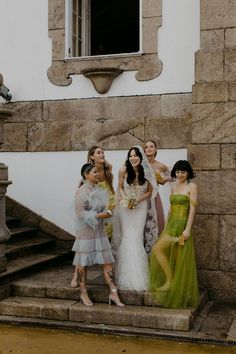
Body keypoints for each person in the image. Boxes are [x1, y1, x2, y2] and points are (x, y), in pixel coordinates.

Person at [71, 163, 124, 307]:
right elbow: (80, 213)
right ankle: (83, 292)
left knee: (107, 261)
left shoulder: (99, 189)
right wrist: (100, 214)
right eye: (94, 172)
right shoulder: (82, 191)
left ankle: (113, 292)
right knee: (83, 264)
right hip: (86, 232)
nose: (98, 174)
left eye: (97, 172)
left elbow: (104, 208)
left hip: (99, 231)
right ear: (86, 175)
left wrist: (109, 212)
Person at [149, 160, 200, 308]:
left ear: (188, 172)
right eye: (177, 172)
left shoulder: (192, 186)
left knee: (179, 257)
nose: (180, 174)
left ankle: (181, 289)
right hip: (172, 224)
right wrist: (165, 226)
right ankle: (169, 281)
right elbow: (171, 208)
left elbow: (192, 208)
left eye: (183, 172)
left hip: (183, 223)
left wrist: (188, 229)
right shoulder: (174, 185)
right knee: (157, 250)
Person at [115, 146, 157, 291]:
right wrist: (126, 199)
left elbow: (150, 192)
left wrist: (137, 200)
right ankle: (125, 276)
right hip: (125, 206)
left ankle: (140, 276)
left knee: (137, 237)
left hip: (140, 207)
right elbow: (120, 187)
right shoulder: (123, 169)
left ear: (141, 157)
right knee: (127, 236)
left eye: (136, 155)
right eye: (130, 155)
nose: (133, 158)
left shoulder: (147, 171)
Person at [87, 146, 115, 239]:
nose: (102, 154)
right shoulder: (90, 171)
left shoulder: (108, 167)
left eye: (102, 152)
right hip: (98, 203)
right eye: (98, 153)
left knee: (111, 230)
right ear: (92, 157)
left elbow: (110, 185)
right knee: (100, 231)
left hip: (110, 201)